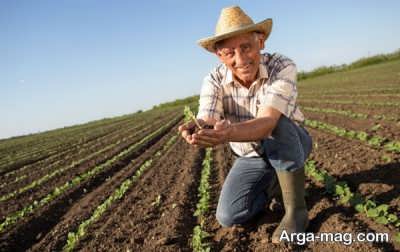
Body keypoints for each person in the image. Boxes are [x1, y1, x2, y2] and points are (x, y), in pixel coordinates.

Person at [178, 6, 312, 243]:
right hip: (251, 156)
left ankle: (296, 212)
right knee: (229, 215)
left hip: (291, 143)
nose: (241, 60)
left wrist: (229, 132)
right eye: (229, 53)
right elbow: (209, 116)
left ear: (260, 42)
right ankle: (275, 186)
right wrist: (200, 128)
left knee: (278, 125)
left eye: (246, 47)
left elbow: (268, 122)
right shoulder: (214, 79)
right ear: (219, 56)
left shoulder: (281, 66)